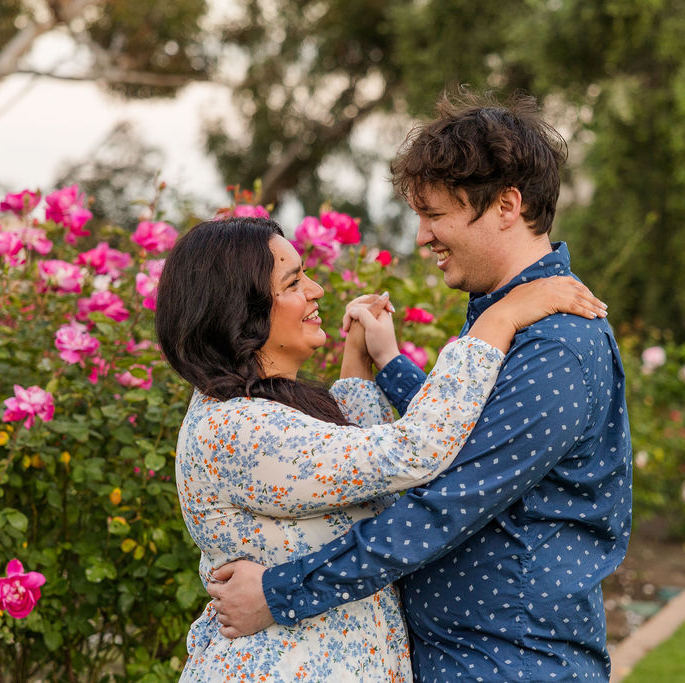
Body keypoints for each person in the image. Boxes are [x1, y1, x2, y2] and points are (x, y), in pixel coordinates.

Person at [208, 91, 633, 681]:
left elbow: (447, 504)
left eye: (435, 215)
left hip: (507, 661)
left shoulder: (556, 345)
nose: (423, 237)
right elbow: (468, 433)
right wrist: (390, 363)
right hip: (468, 655)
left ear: (507, 205)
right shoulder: (510, 317)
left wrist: (279, 593)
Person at [154, 215, 608, 682]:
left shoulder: (259, 411)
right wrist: (500, 319)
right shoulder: (236, 428)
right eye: (293, 282)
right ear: (240, 312)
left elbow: (364, 475)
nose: (316, 291)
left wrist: (364, 357)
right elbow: (412, 452)